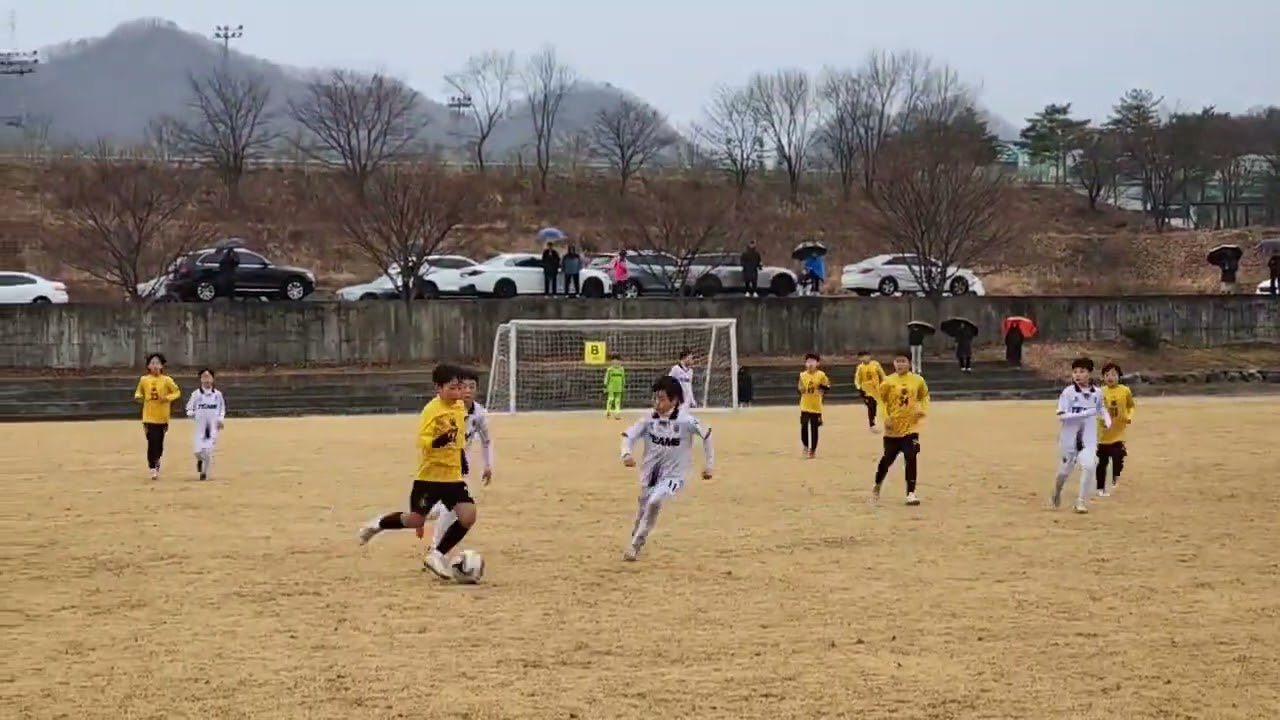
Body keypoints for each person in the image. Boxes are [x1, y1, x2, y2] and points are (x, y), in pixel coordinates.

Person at [358, 363, 484, 581]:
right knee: (416, 520)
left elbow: (459, 436)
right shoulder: (431, 411)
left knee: (468, 515)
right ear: (439, 387)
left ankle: (436, 554)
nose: (458, 393)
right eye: (453, 388)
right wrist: (438, 441)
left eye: (460, 388)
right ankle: (378, 524)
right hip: (429, 478)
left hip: (452, 478)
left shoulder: (458, 407)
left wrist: (461, 456)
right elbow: (422, 441)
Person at [619, 376, 714, 561]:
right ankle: (636, 536)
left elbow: (707, 434)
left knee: (655, 502)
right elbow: (628, 436)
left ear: (675, 400)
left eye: (662, 399)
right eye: (656, 398)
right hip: (651, 474)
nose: (657, 403)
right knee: (644, 507)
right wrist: (626, 454)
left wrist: (709, 465)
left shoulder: (686, 421)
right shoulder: (648, 419)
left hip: (674, 476)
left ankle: (635, 545)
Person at [422, 369, 494, 550]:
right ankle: (435, 548)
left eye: (472, 387)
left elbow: (486, 441)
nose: (468, 391)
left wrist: (488, 465)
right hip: (439, 465)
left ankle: (432, 543)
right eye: (463, 387)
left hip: (457, 467)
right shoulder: (446, 410)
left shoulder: (480, 414)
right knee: (451, 507)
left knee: (448, 508)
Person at [1051, 357, 1112, 514]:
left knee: (1089, 466)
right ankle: (1057, 492)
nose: (1078, 375)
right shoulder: (1068, 393)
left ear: (1089, 374)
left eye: (1082, 372)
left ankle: (1081, 502)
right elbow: (1062, 415)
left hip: (1088, 439)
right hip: (1069, 439)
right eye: (1075, 372)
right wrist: (1085, 413)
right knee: (1064, 472)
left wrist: (1107, 420)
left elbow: (1102, 408)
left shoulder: (1097, 393)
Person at [872, 352, 929, 506]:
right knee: (887, 460)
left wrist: (922, 410)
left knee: (911, 457)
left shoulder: (917, 380)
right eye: (897, 361)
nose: (900, 364)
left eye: (903, 361)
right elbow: (881, 402)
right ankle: (877, 484)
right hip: (893, 429)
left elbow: (924, 396)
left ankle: (911, 493)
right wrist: (886, 417)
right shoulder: (888, 382)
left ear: (909, 363)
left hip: (911, 427)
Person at [133, 352, 181, 480]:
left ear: (162, 366)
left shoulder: (167, 380)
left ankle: (157, 459)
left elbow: (176, 392)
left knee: (159, 443)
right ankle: (152, 467)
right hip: (148, 416)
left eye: (157, 363)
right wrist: (139, 397)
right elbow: (138, 393)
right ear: (148, 366)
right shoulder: (144, 380)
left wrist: (167, 398)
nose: (155, 366)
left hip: (162, 417)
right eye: (152, 363)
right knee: (151, 442)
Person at [1096, 362, 1135, 496]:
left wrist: (1128, 416)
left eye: (1113, 374)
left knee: (1118, 458)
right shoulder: (1099, 392)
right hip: (1102, 435)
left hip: (1118, 434)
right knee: (1102, 462)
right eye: (1107, 375)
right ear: (1103, 377)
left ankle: (1114, 479)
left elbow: (1131, 406)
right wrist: (1101, 419)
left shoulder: (1125, 391)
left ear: (1119, 376)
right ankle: (1100, 487)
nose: (1110, 377)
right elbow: (1095, 410)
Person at [184, 368, 226, 481]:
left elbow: (222, 409)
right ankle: (199, 460)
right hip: (200, 427)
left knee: (207, 451)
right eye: (204, 377)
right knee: (198, 452)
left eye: (208, 377)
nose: (207, 379)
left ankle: (204, 473)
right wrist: (192, 413)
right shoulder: (196, 394)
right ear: (200, 379)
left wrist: (220, 419)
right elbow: (188, 408)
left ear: (212, 379)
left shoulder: (217, 395)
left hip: (212, 428)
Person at [797, 353, 830, 459]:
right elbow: (800, 388)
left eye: (813, 361)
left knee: (814, 428)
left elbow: (827, 386)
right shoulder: (802, 375)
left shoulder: (821, 375)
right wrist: (801, 389)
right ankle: (805, 446)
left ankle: (813, 449)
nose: (810, 364)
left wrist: (822, 387)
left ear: (818, 363)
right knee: (804, 426)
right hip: (805, 404)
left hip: (816, 406)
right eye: (808, 362)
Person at [853, 350, 885, 432]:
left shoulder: (875, 364)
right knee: (870, 406)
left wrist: (886, 383)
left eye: (866, 356)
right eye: (862, 357)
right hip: (866, 391)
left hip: (876, 390)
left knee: (875, 407)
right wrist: (859, 388)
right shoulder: (860, 367)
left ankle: (874, 421)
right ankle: (872, 424)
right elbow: (857, 379)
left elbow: (882, 374)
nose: (864, 358)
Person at [603, 355, 626, 419]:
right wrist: (605, 385)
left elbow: (623, 377)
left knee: (618, 400)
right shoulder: (610, 369)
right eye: (614, 361)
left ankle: (617, 413)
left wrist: (623, 385)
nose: (616, 363)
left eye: (618, 361)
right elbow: (607, 377)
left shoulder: (621, 369)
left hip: (619, 386)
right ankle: (608, 412)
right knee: (610, 399)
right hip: (611, 386)